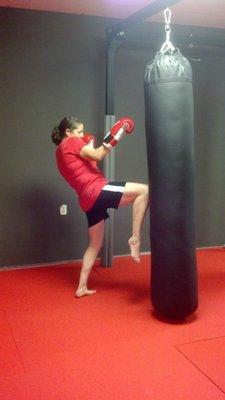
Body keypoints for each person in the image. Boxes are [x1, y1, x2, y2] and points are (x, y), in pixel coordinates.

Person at [51, 115, 149, 298]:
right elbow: (98, 154)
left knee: (94, 245)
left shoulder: (60, 152)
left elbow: (89, 162)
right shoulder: (71, 142)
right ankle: (135, 237)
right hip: (97, 189)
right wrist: (118, 131)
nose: (81, 135)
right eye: (79, 131)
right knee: (144, 191)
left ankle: (81, 287)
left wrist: (90, 142)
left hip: (87, 200)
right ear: (68, 132)